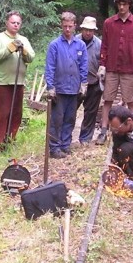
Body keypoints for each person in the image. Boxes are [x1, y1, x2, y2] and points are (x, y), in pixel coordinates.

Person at [95, 0, 133, 145]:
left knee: (130, 101)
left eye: (125, 4)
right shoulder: (109, 23)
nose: (122, 7)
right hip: (111, 68)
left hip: (129, 69)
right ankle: (104, 131)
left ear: (130, 5)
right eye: (119, 4)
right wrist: (102, 65)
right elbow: (104, 46)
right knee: (107, 100)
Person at [45, 12, 88, 158]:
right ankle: (54, 147)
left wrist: (84, 83)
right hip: (60, 88)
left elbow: (83, 65)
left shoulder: (80, 45)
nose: (67, 29)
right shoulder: (54, 45)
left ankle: (65, 144)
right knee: (56, 120)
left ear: (75, 26)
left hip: (74, 89)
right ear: (61, 26)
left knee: (70, 119)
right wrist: (50, 87)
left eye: (70, 26)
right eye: (65, 26)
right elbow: (50, 67)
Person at [0, 11, 35, 146]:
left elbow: (31, 57)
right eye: (13, 22)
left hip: (18, 82)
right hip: (3, 82)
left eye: (18, 23)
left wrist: (24, 51)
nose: (16, 25)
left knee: (16, 113)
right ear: (6, 23)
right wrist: (9, 49)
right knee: (2, 113)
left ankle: (10, 139)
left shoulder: (24, 39)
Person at [76, 15, 102, 144]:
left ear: (94, 31)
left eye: (90, 30)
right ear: (81, 29)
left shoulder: (99, 44)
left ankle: (85, 138)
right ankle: (64, 137)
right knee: (70, 111)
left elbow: (103, 63)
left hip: (93, 82)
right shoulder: (74, 41)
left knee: (91, 113)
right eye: (86, 29)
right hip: (76, 83)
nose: (88, 32)